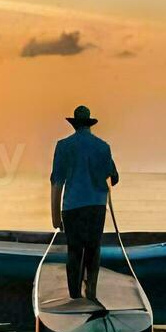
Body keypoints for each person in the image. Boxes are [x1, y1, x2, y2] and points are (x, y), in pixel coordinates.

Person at [49, 105, 119, 300]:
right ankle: (92, 292)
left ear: (74, 125)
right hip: (96, 206)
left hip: (72, 206)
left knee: (74, 250)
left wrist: (55, 218)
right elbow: (113, 177)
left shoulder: (63, 146)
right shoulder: (103, 146)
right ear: (89, 124)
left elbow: (57, 182)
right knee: (93, 248)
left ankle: (74, 295)